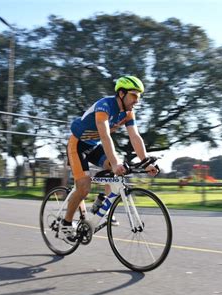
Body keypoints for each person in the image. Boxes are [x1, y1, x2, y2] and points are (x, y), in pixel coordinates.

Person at [60, 75, 159, 240]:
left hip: (94, 146)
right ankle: (66, 223)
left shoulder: (128, 113)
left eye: (139, 96)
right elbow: (105, 136)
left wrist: (145, 162)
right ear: (121, 93)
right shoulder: (104, 106)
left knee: (118, 170)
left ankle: (102, 202)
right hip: (77, 145)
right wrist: (114, 163)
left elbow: (135, 137)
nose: (137, 100)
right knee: (84, 187)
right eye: (134, 95)